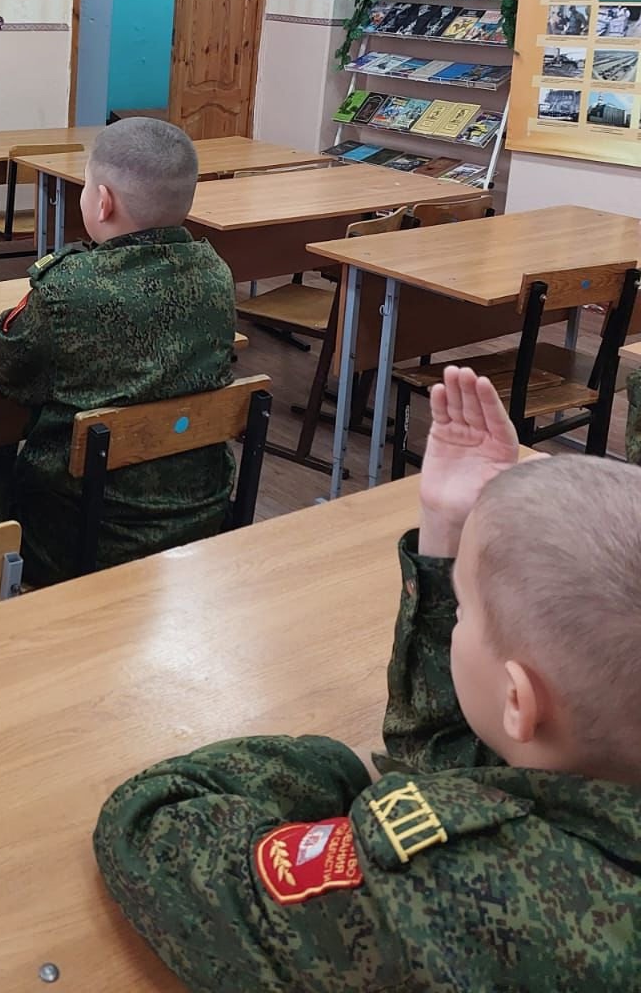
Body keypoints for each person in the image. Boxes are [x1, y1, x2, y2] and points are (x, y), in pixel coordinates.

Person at [94, 367, 641, 991]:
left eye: (460, 610)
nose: (455, 616)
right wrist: (449, 532)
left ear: (519, 701)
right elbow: (462, 761)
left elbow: (147, 830)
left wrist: (321, 771)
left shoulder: (454, 877)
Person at [0, 117, 236, 585]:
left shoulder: (70, 286)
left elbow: (10, 372)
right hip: (200, 514)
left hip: (79, 532)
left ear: (103, 201)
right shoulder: (215, 274)